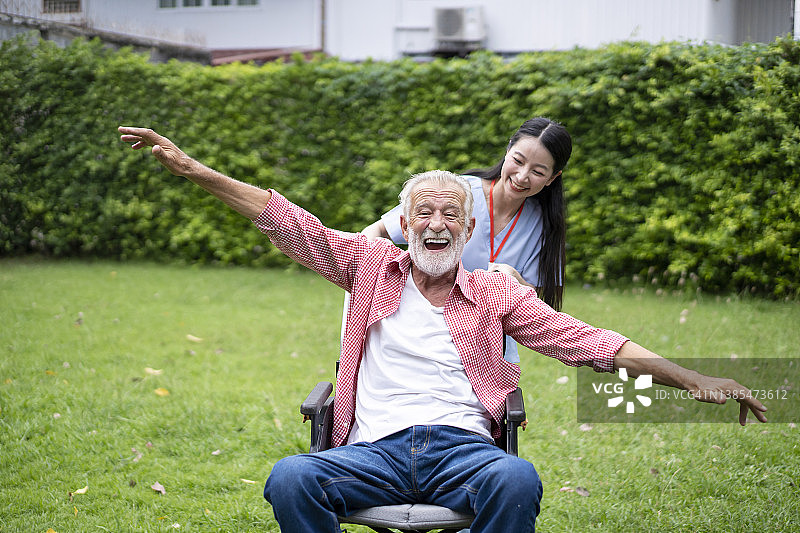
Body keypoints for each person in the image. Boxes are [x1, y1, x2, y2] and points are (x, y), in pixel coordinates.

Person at [119, 126, 768, 533]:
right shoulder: (369, 264)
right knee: (292, 476)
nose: (435, 222)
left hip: (462, 449)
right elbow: (291, 223)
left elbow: (592, 342)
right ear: (404, 222)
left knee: (516, 479)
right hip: (371, 449)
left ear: (466, 230)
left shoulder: (496, 289)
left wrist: (697, 378)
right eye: (421, 212)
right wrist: (196, 171)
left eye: (448, 215)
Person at [354, 117, 570, 365]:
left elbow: (535, 302)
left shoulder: (544, 225)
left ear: (552, 178)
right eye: (518, 161)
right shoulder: (459, 192)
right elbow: (375, 231)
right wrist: (378, 275)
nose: (522, 176)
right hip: (421, 335)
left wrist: (516, 280)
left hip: (490, 352)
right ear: (508, 149)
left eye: (538, 171)